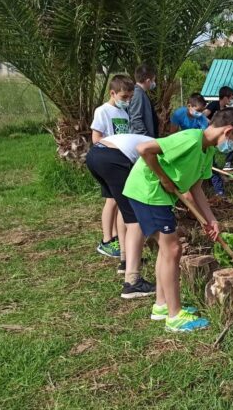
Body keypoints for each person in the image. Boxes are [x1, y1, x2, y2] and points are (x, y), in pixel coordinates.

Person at [123, 108, 233, 332]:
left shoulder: (207, 151)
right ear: (227, 131)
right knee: (172, 250)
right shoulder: (190, 139)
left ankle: (162, 305)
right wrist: (164, 178)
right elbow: (144, 149)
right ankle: (175, 316)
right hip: (148, 191)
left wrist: (210, 220)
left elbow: (195, 188)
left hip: (158, 196)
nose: (232, 146)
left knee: (166, 250)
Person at [86, 133, 157, 298]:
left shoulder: (152, 141)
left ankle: (125, 261)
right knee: (136, 220)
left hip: (95, 155)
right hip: (113, 158)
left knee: (123, 209)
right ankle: (133, 282)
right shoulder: (159, 148)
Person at [91, 74, 134, 259]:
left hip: (121, 161)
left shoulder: (124, 113)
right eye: (124, 97)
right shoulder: (103, 111)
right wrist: (115, 146)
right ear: (113, 93)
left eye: (130, 97)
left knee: (117, 200)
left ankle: (117, 237)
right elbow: (96, 138)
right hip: (108, 160)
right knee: (112, 200)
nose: (127, 101)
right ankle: (107, 240)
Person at [203, 86, 233, 197]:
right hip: (208, 136)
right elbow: (202, 116)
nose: (231, 100)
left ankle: (228, 163)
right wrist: (213, 125)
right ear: (225, 97)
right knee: (211, 163)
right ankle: (218, 190)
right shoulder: (214, 105)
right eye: (230, 98)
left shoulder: (225, 110)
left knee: (232, 145)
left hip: (219, 138)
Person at [128, 64, 159, 138]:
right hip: (141, 139)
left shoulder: (141, 93)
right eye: (153, 80)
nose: (154, 83)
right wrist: (145, 136)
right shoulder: (138, 94)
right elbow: (136, 118)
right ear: (148, 81)